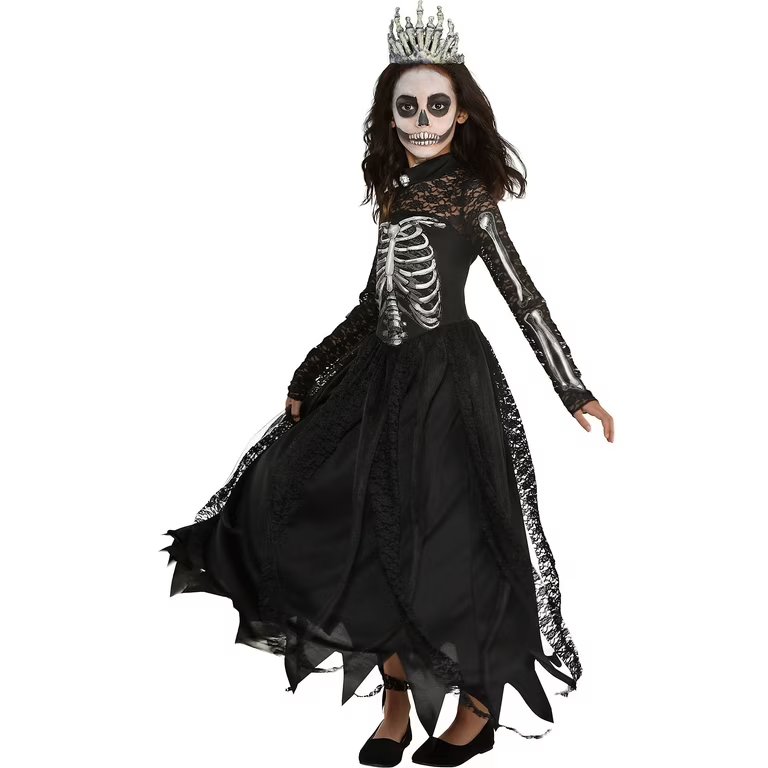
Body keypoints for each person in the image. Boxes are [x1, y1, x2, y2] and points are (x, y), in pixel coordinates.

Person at [160, 3, 614, 766]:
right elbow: (376, 301)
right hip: (380, 380)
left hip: (450, 386)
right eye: (408, 107)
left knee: (455, 547)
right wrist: (312, 368)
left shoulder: (470, 195)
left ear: (461, 113)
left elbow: (522, 296)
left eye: (437, 106)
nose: (422, 120)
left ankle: (477, 709)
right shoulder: (396, 192)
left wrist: (574, 389)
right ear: (389, 114)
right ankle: (395, 705)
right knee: (361, 534)